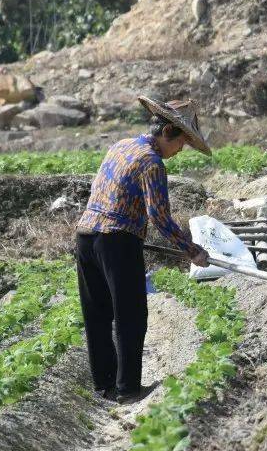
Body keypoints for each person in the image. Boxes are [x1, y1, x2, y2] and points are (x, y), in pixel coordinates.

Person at [75, 96, 211, 402]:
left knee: (97, 314)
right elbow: (160, 218)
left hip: (85, 236)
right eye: (181, 144)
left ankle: (105, 386)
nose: (179, 151)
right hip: (116, 242)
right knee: (130, 315)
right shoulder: (152, 163)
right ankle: (127, 390)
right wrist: (192, 250)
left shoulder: (120, 145)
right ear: (169, 133)